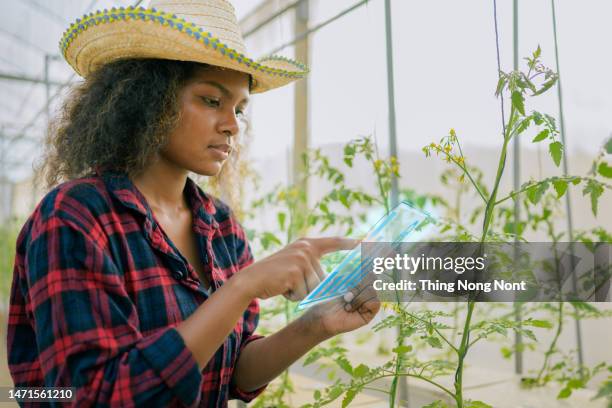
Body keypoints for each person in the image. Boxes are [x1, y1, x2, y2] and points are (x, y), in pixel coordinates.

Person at [5, 0, 380, 406]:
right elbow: (92, 397)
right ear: (146, 100)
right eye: (210, 100)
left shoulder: (220, 225)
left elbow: (232, 371)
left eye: (239, 108)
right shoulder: (76, 217)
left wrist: (316, 325)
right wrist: (242, 287)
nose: (233, 125)